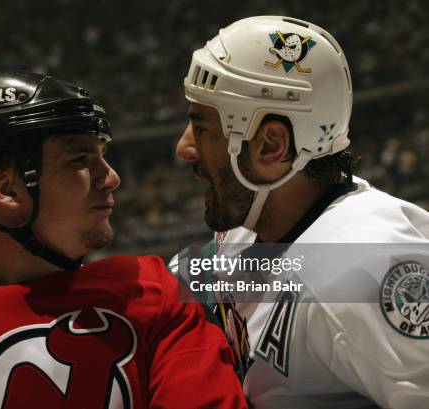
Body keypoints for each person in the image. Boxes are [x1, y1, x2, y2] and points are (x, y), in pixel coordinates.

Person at [0, 71, 247, 409]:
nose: (111, 178)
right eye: (79, 160)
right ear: (9, 190)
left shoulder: (153, 289)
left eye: (101, 156)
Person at [172, 16, 429, 409]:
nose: (184, 148)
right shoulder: (246, 231)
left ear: (270, 146)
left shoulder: (368, 268)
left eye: (201, 126)